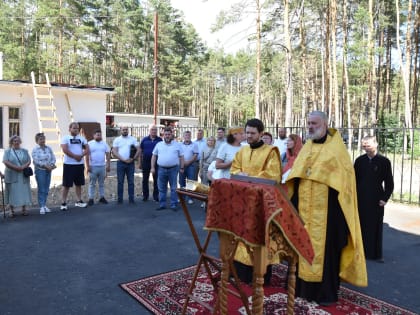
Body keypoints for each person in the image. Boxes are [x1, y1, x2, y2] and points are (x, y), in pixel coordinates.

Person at [286, 111, 367, 305]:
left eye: (314, 123)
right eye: (308, 123)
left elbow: (345, 184)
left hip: (329, 215)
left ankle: (324, 294)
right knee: (302, 247)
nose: (310, 127)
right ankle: (302, 290)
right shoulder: (306, 148)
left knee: (326, 254)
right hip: (304, 210)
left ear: (325, 124)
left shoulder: (337, 150)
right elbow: (297, 176)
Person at [230, 118, 282, 285]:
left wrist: (250, 178)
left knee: (259, 238)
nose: (249, 136)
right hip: (243, 202)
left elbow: (273, 175)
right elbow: (234, 168)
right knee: (240, 237)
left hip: (262, 204)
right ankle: (240, 273)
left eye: (253, 133)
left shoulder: (271, 151)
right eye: (247, 132)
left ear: (261, 133)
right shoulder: (242, 151)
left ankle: (260, 274)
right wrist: (240, 174)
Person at [354, 135, 394, 262]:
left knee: (376, 226)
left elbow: (389, 183)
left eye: (368, 144)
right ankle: (361, 253)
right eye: (364, 145)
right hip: (360, 198)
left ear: (376, 144)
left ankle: (377, 254)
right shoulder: (359, 161)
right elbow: (354, 180)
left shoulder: (384, 161)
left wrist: (384, 198)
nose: (366, 147)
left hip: (377, 199)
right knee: (360, 225)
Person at [151, 127, 184, 211]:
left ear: (171, 135)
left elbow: (181, 156)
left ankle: (173, 204)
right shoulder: (159, 144)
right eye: (166, 134)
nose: (167, 136)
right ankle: (162, 204)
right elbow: (154, 156)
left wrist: (182, 167)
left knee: (173, 188)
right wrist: (152, 167)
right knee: (161, 188)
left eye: (169, 134)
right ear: (163, 135)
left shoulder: (177, 144)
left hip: (173, 169)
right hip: (161, 169)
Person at [60, 122, 89, 210]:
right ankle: (63, 203)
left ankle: (79, 201)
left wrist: (81, 155)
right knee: (66, 185)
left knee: (79, 184)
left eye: (77, 128)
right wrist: (75, 156)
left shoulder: (82, 138)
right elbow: (65, 149)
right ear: (69, 129)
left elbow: (87, 149)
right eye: (74, 128)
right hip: (69, 165)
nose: (76, 130)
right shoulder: (65, 138)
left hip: (79, 165)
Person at [2, 135, 32, 217]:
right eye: (14, 141)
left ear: (20, 142)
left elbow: (29, 161)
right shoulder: (7, 152)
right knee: (12, 192)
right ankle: (11, 210)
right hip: (12, 174)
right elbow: (5, 161)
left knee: (24, 191)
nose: (16, 142)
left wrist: (23, 167)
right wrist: (17, 168)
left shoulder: (25, 151)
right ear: (11, 142)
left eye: (18, 140)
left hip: (23, 175)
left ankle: (24, 209)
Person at [112, 126, 139, 204]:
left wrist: (133, 159)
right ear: (121, 130)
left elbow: (139, 149)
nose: (125, 131)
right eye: (123, 130)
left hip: (131, 163)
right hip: (120, 163)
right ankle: (120, 199)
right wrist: (123, 159)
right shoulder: (117, 140)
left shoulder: (132, 139)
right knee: (120, 182)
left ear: (128, 131)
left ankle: (131, 199)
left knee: (131, 182)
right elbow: (115, 151)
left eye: (126, 130)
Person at [32, 133, 57, 214]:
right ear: (37, 141)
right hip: (40, 170)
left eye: (43, 139)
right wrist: (45, 166)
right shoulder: (35, 149)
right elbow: (36, 160)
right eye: (40, 139)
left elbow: (53, 157)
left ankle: (45, 204)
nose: (42, 140)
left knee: (46, 188)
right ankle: (41, 206)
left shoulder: (48, 148)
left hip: (49, 170)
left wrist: (52, 165)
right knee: (41, 188)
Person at [86, 129, 110, 206]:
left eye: (100, 134)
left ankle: (102, 197)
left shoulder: (104, 144)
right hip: (93, 167)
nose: (99, 136)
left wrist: (108, 165)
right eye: (97, 134)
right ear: (94, 135)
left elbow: (108, 154)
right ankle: (91, 199)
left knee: (101, 183)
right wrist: (87, 166)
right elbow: (86, 155)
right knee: (92, 183)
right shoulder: (89, 144)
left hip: (102, 167)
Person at [139, 125, 162, 202]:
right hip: (145, 162)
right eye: (152, 130)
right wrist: (140, 162)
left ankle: (156, 196)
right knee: (145, 179)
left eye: (155, 130)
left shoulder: (160, 140)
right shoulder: (144, 140)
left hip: (157, 162)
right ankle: (145, 196)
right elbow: (140, 152)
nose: (154, 131)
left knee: (156, 180)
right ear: (149, 130)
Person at [179, 130, 199, 204]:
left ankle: (190, 198)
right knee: (181, 181)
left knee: (190, 181)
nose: (187, 137)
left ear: (190, 136)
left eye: (189, 135)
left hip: (191, 165)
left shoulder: (194, 145)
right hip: (182, 165)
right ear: (183, 136)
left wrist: (189, 162)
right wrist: (183, 163)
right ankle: (182, 197)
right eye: (186, 135)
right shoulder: (180, 144)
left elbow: (195, 155)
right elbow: (179, 155)